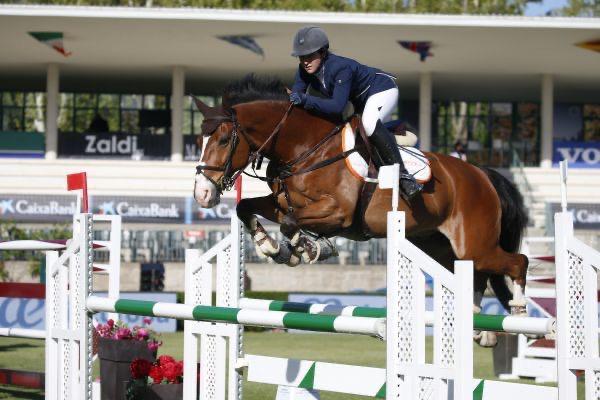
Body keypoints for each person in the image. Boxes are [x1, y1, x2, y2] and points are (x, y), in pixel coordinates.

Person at [289, 26, 422, 200]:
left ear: (322, 52)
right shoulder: (303, 71)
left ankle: (405, 177)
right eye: (301, 57)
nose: (305, 61)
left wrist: (304, 99)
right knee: (350, 133)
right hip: (360, 100)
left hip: (382, 89)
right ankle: (393, 134)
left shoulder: (340, 67)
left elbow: (337, 106)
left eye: (309, 56)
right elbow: (295, 99)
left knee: (368, 123)